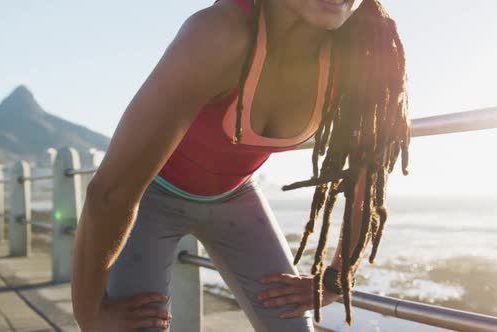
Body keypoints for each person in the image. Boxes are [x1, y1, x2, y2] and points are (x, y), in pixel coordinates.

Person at [71, 0, 410, 331]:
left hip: (236, 197)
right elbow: (111, 192)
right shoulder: (218, 34)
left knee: (293, 325)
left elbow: (368, 179)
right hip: (149, 198)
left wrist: (336, 277)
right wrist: (89, 315)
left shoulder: (363, 50)